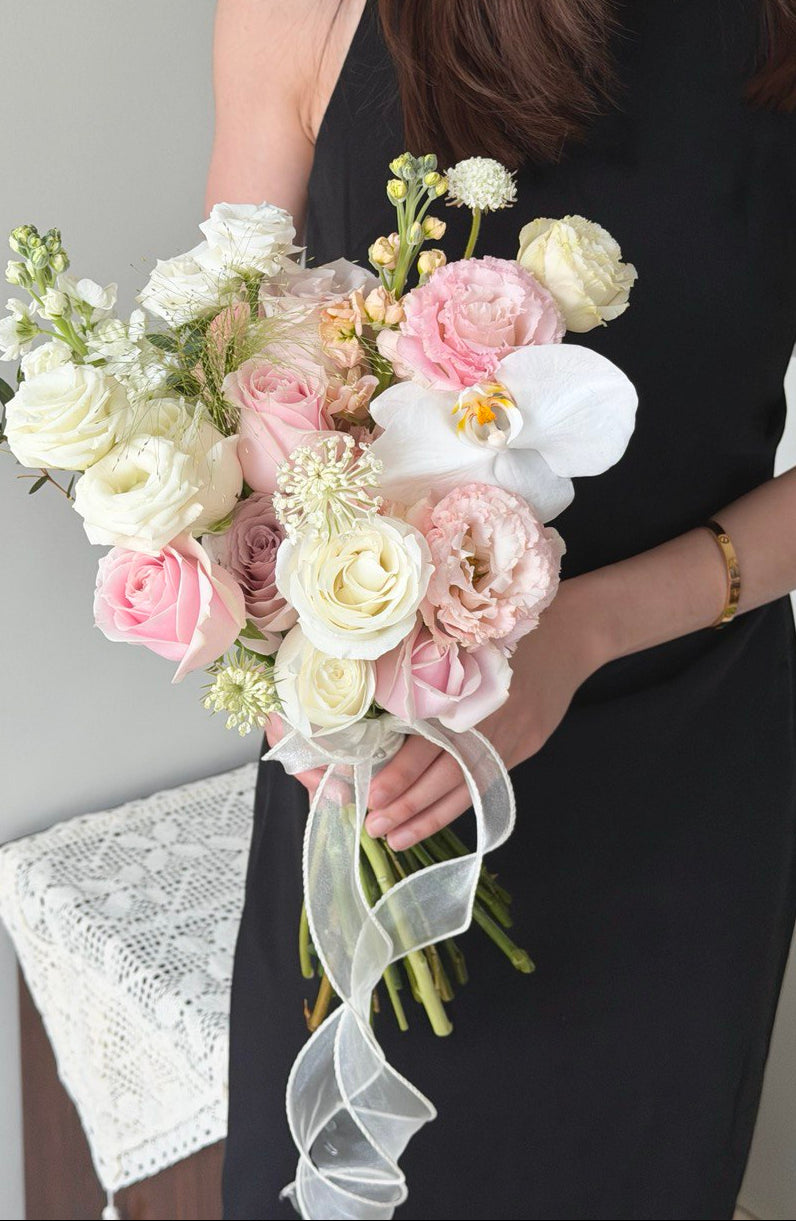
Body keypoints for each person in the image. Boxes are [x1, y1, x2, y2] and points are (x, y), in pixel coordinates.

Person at [206, 2, 796, 1217]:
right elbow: (229, 369)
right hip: (372, 772)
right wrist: (278, 647)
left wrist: (581, 632)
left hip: (675, 781)